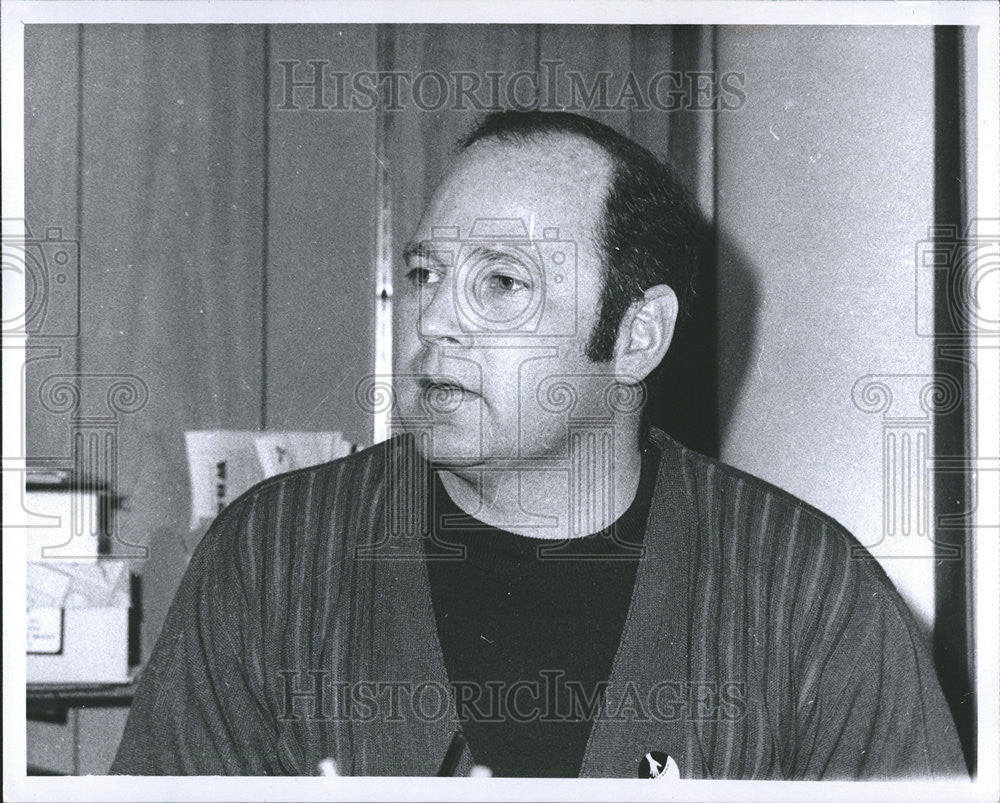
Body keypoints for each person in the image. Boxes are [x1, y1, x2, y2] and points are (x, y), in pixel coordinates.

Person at [111, 110, 967, 778]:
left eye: (502, 282)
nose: (434, 318)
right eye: (425, 274)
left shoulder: (807, 592)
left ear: (637, 336)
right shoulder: (272, 560)